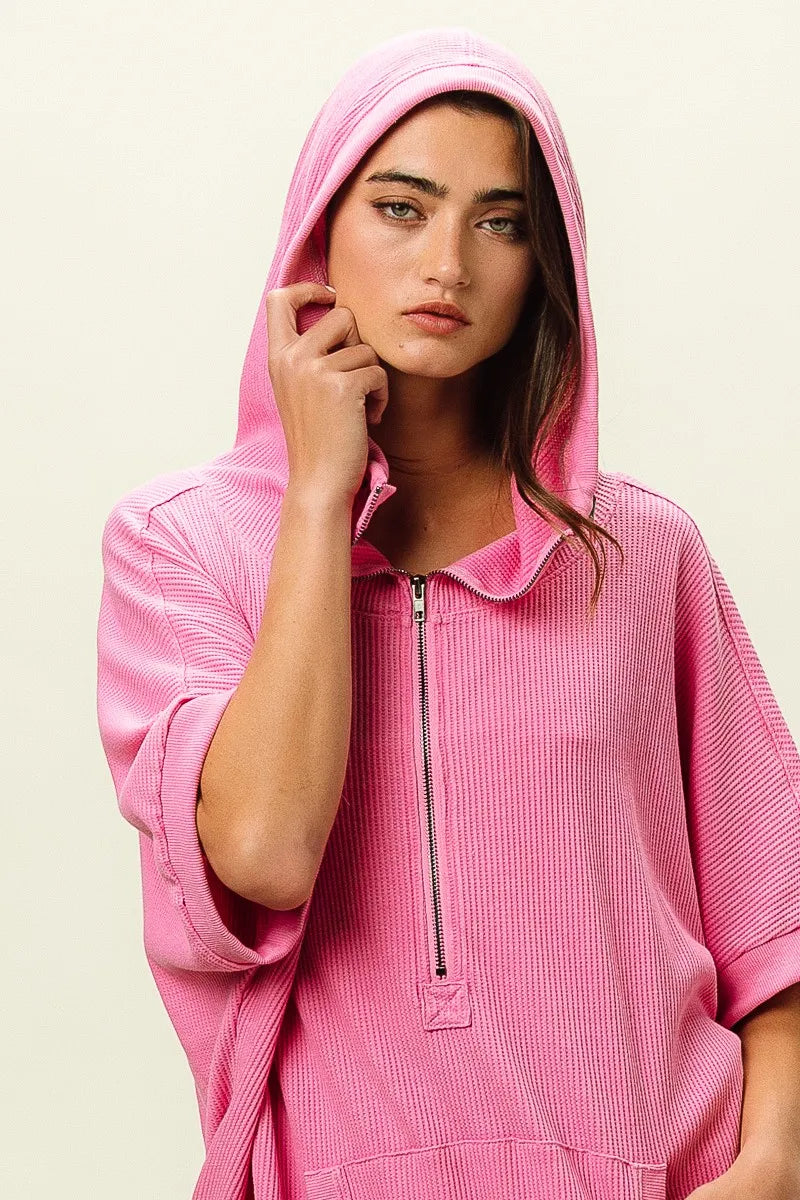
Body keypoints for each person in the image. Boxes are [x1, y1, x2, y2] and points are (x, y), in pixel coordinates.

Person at [95, 25, 800, 1200]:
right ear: (318, 232)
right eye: (401, 208)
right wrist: (318, 497)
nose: (449, 266)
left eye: (500, 222)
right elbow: (263, 851)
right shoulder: (179, 547)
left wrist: (775, 1162)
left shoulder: (641, 552)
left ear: (544, 262)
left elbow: (771, 918)